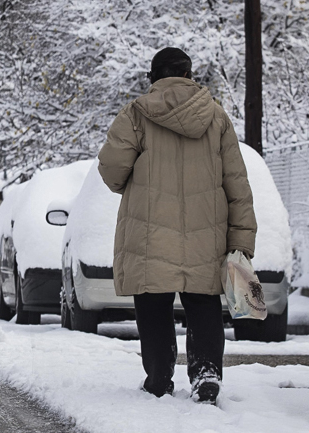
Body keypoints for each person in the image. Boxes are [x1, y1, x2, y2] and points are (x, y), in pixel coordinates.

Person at [97, 47, 257, 404]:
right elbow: (237, 185)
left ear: (153, 77)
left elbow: (111, 171)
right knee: (203, 304)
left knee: (153, 303)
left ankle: (158, 378)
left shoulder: (136, 115)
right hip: (206, 234)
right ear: (189, 75)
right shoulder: (216, 118)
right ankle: (206, 375)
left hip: (150, 233)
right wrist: (242, 241)